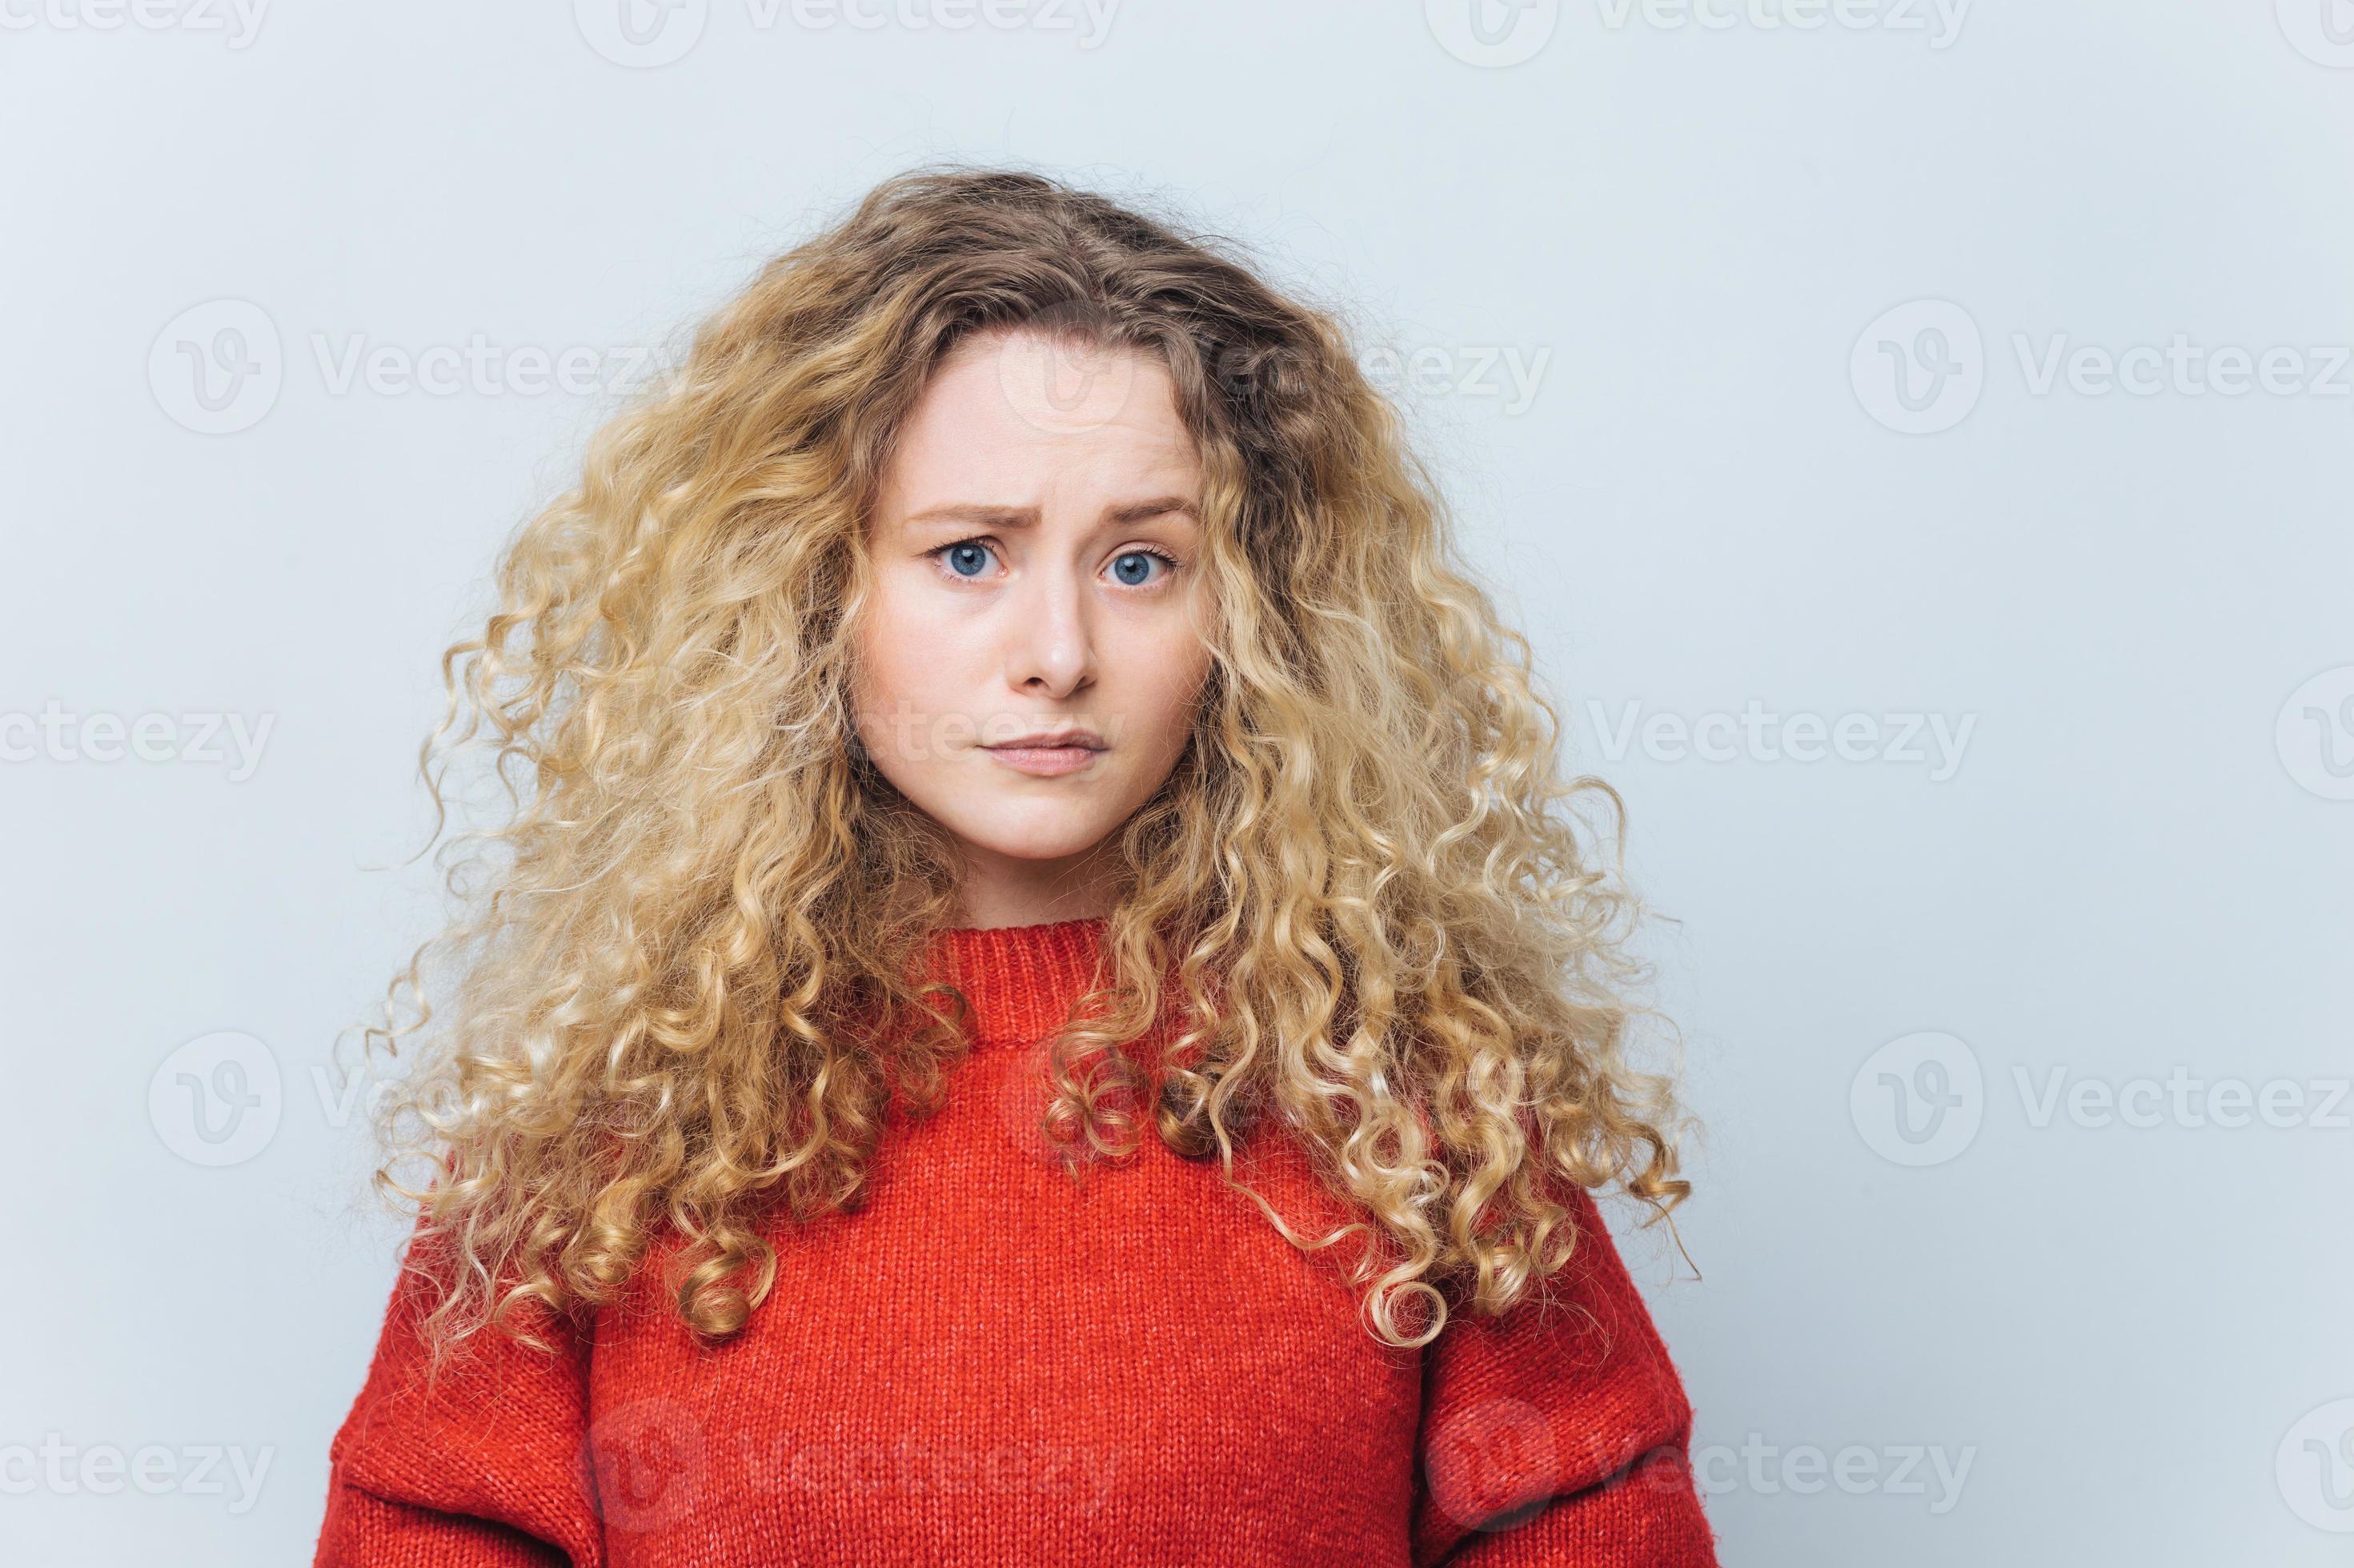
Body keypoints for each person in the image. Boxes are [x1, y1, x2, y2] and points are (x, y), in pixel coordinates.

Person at [314, 165, 1718, 1566]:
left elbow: (1587, 1520)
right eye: (971, 554)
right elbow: (434, 1526)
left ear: (1258, 618)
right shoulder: (612, 1119)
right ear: (817, 584)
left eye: (1138, 566)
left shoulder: (1401, 1102)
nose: (1056, 653)